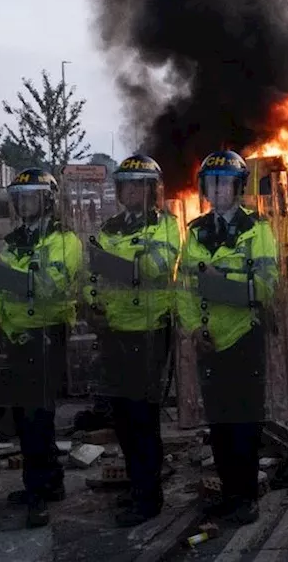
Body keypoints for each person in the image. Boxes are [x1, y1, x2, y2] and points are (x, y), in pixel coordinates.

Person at [175, 151, 281, 526]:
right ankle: (229, 492)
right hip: (208, 340)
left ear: (238, 188)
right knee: (219, 424)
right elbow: (185, 290)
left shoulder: (258, 230)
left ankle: (246, 497)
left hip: (243, 337)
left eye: (226, 183)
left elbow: (266, 287)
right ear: (206, 188)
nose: (219, 190)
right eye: (213, 183)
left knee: (244, 421)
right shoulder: (196, 231)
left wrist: (225, 287)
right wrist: (193, 330)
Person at [84, 153, 181, 527]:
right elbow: (94, 276)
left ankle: (149, 497)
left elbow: (155, 268)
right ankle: (135, 486)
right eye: (126, 186)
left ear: (152, 192)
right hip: (113, 331)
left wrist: (118, 266)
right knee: (122, 418)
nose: (133, 192)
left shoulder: (166, 226)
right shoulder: (109, 228)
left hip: (149, 330)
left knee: (144, 418)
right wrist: (93, 305)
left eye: (140, 186)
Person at [0, 168, 83, 528]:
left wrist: (1, 274)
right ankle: (49, 480)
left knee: (37, 415)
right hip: (16, 336)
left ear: (46, 201)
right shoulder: (13, 242)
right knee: (25, 416)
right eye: (20, 197)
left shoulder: (64, 241)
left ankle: (38, 492)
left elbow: (48, 287)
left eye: (30, 197)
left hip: (45, 333)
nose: (24, 203)